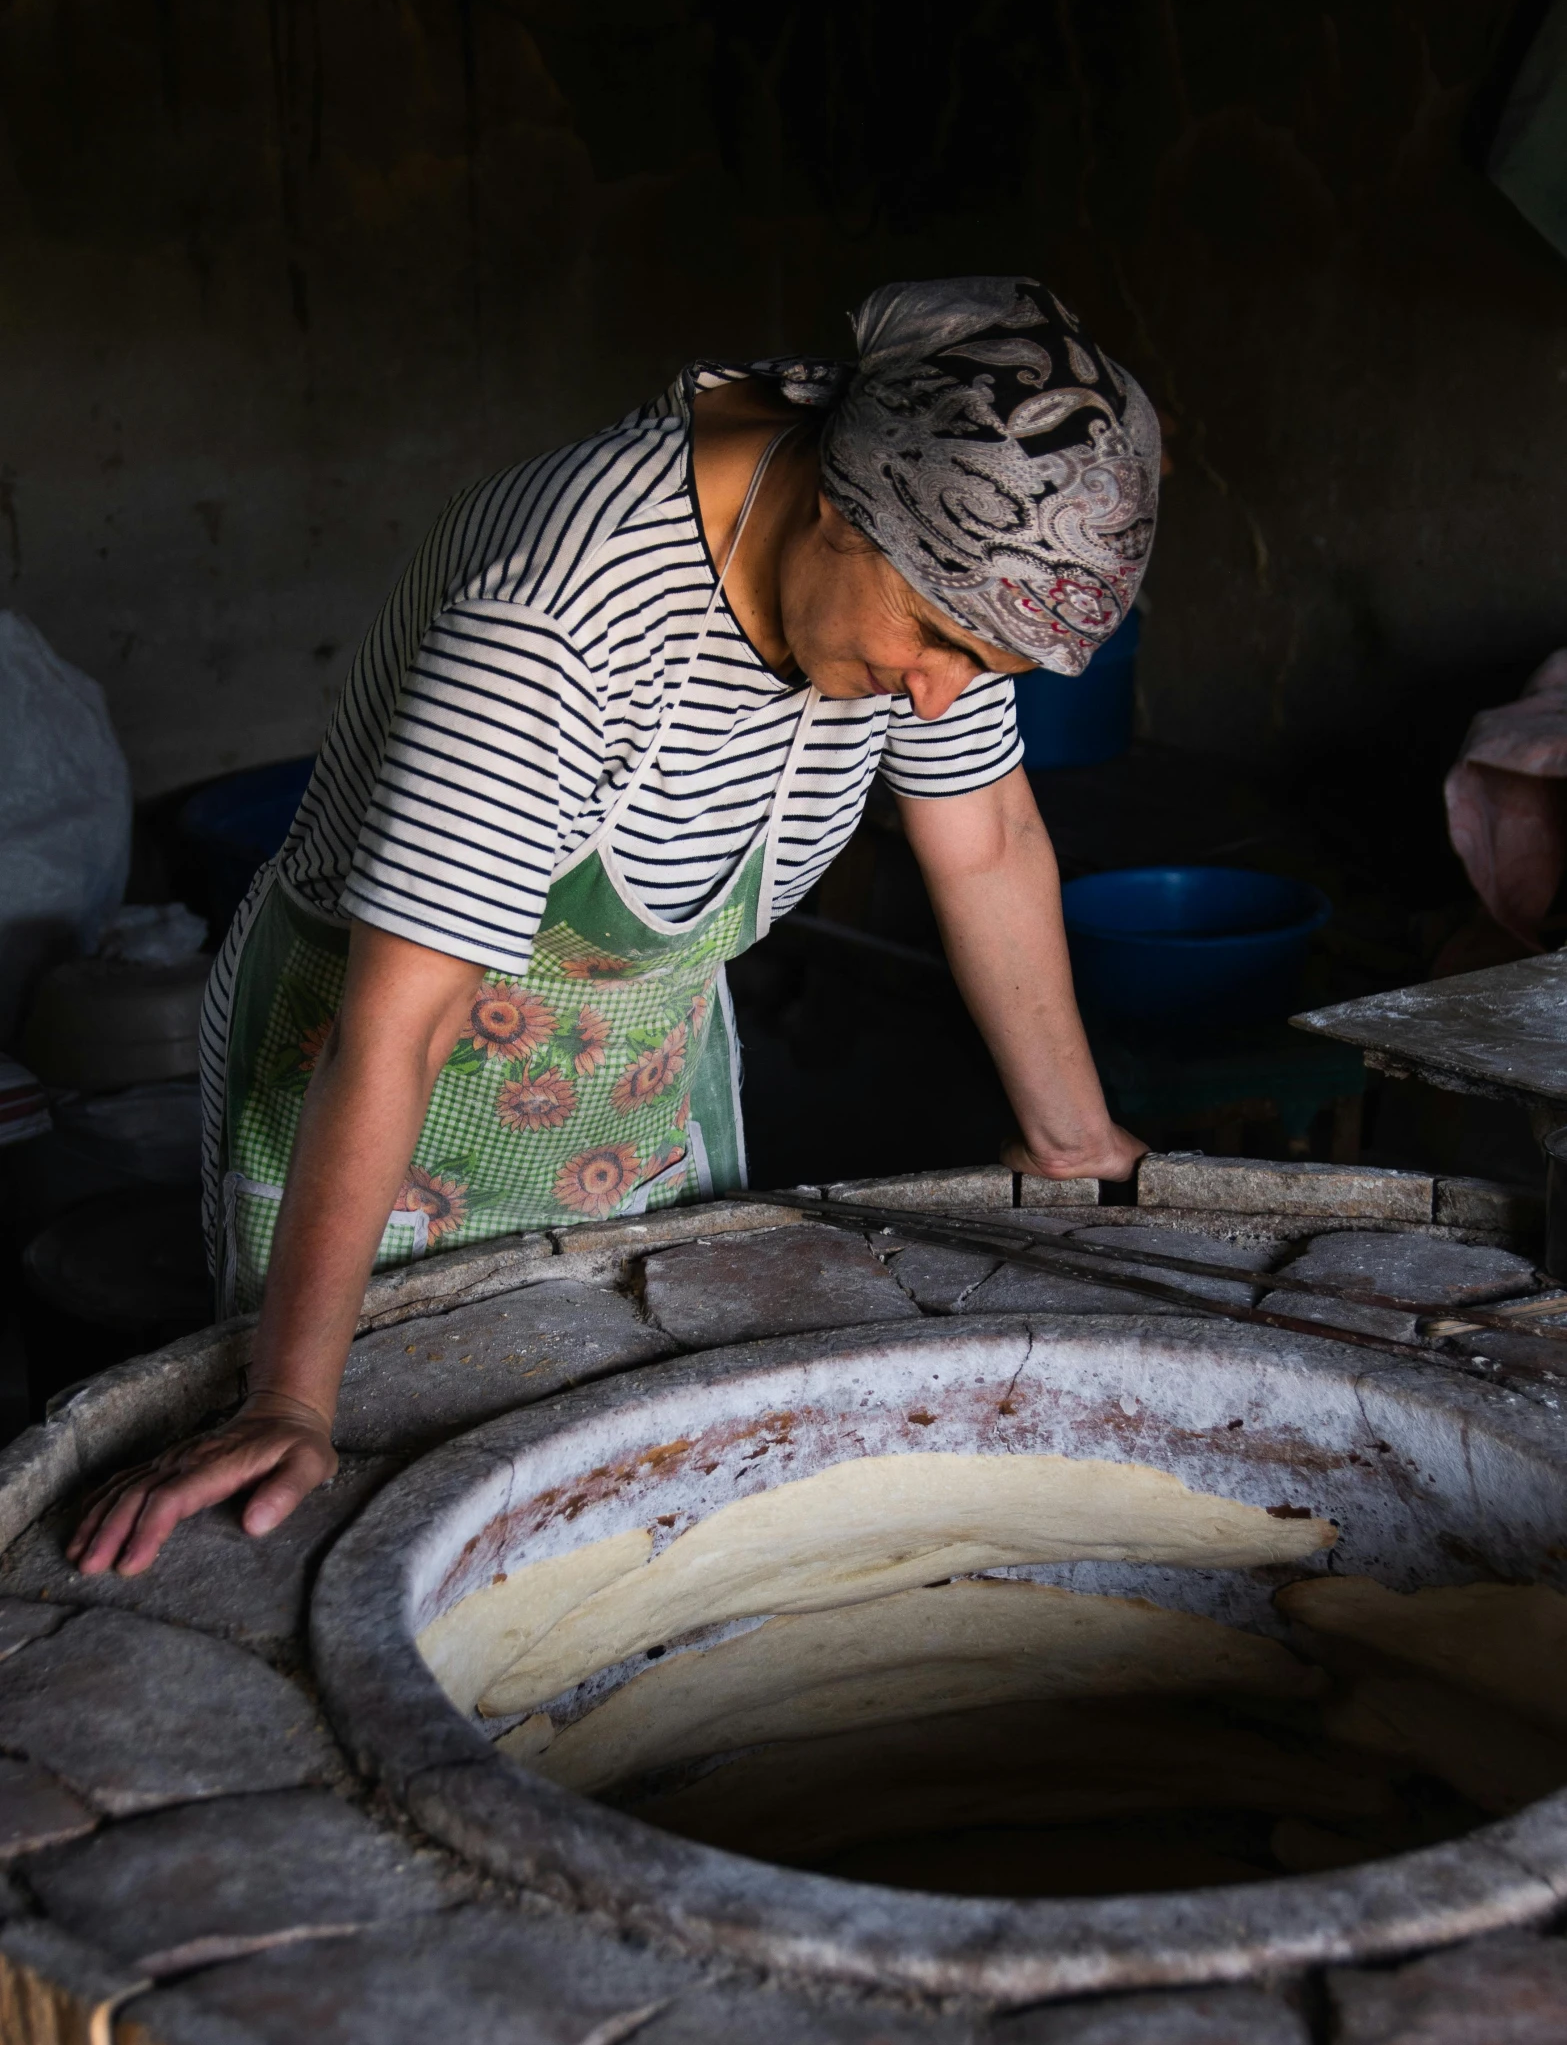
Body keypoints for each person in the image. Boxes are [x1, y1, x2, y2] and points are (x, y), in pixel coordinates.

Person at [71, 273, 1160, 1577]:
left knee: (647, 1502)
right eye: (931, 642)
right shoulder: (559, 615)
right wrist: (290, 1399)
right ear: (834, 508)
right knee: (395, 1530)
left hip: (642, 1071)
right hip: (379, 1085)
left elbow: (982, 836)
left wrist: (1073, 1142)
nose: (937, 702)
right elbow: (398, 1030)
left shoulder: (952, 573)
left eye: (979, 669)